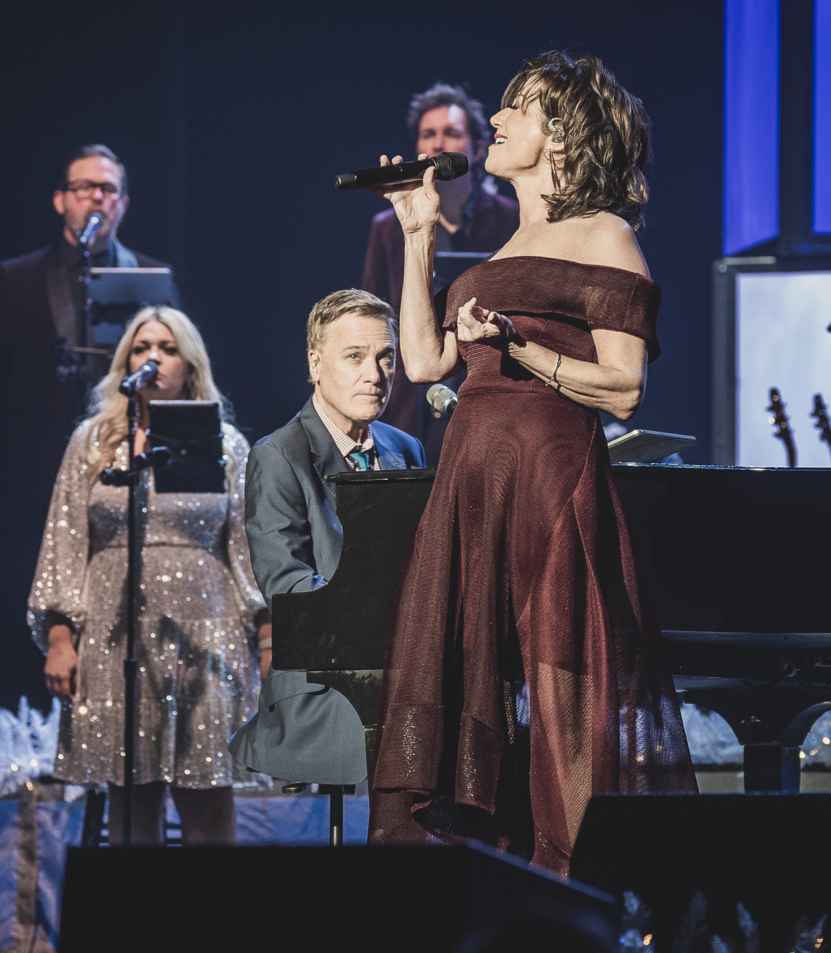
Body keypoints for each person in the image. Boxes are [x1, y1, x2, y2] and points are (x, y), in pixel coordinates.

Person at [368, 51, 697, 874]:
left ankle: (585, 892)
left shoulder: (604, 234)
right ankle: (492, 885)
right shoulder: (498, 248)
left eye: (519, 106)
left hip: (552, 481)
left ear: (561, 135)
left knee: (565, 696)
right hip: (472, 484)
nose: (500, 119)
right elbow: (421, 363)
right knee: (468, 684)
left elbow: (624, 388)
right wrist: (416, 236)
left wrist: (521, 348)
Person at [29, 306, 265, 843]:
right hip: (117, 636)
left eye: (166, 348)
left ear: (189, 363)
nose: (152, 358)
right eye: (140, 349)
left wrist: (268, 635)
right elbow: (64, 541)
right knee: (131, 798)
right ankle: (140, 925)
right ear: (124, 363)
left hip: (207, 633)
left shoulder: (224, 444)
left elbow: (249, 545)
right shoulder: (94, 441)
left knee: (207, 797)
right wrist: (61, 636)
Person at [0, 145, 172, 694]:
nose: (95, 198)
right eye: (84, 188)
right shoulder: (20, 276)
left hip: (123, 455)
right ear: (60, 200)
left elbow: (174, 367)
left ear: (122, 203)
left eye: (107, 189)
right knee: (31, 580)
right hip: (35, 458)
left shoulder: (150, 275)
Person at [228, 289, 427, 787]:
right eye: (355, 356)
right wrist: (388, 626)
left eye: (386, 358)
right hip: (327, 677)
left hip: (406, 664)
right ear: (315, 364)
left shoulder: (406, 447)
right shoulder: (279, 455)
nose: (375, 375)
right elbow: (287, 584)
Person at [361, 83, 520, 452]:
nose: (437, 144)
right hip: (409, 402)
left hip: (486, 391)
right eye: (427, 134)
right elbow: (375, 313)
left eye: (451, 133)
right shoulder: (387, 226)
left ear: (478, 148)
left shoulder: (512, 219)